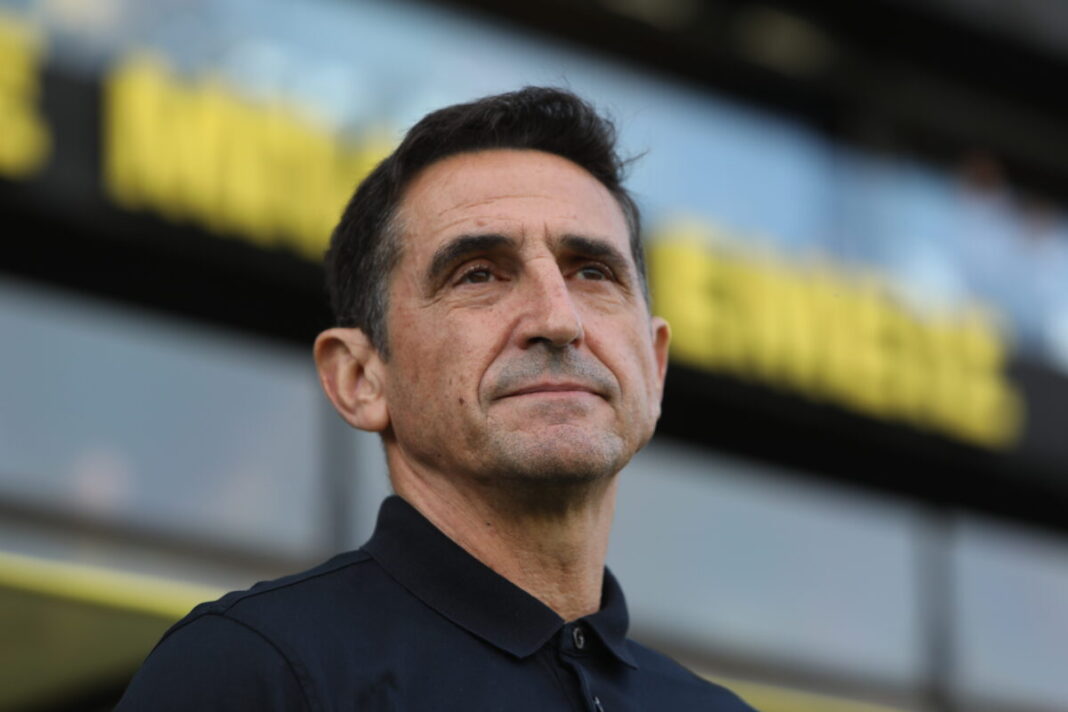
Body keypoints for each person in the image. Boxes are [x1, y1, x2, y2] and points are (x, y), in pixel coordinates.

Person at [116, 87, 756, 711]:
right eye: (477, 274)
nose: (559, 319)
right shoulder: (253, 672)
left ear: (655, 365)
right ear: (361, 378)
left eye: (592, 272)